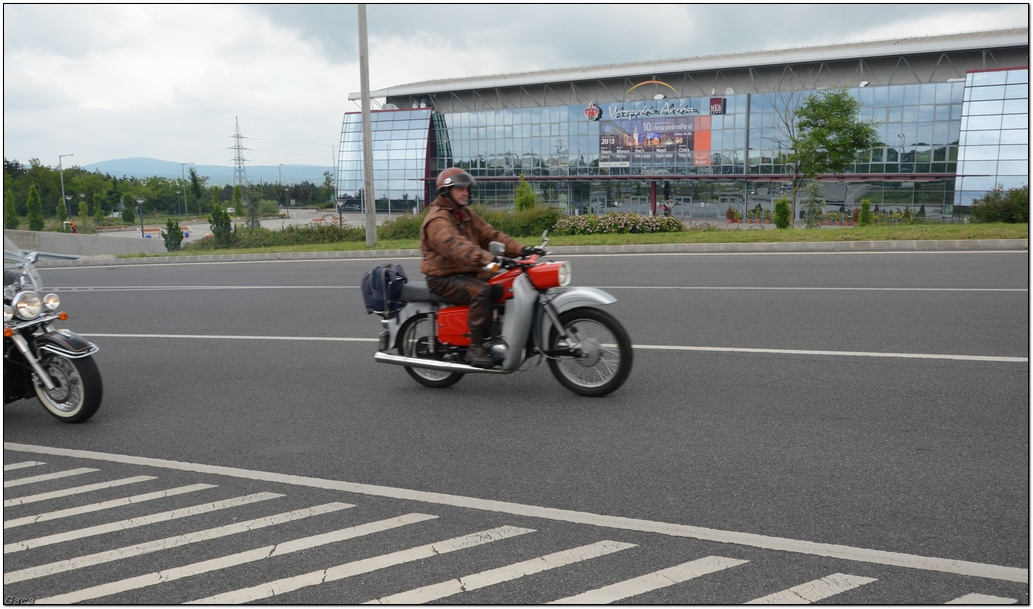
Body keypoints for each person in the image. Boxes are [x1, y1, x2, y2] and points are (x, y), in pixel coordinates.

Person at [419, 167, 532, 367]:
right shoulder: (437, 220)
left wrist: (522, 250)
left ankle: (496, 334)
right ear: (446, 191)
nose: (466, 192)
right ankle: (476, 347)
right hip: (443, 278)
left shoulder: (465, 214)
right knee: (482, 292)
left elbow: (491, 235)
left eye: (467, 188)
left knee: (506, 284)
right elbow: (457, 247)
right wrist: (490, 259)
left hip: (467, 273)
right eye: (460, 188)